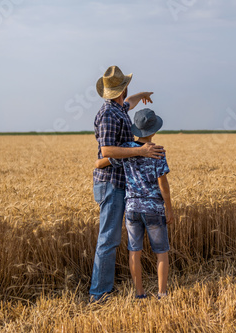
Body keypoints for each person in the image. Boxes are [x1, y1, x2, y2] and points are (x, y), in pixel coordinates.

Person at [90, 65, 165, 303]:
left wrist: (141, 95)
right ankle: (99, 293)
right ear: (123, 88)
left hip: (118, 181)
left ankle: (103, 289)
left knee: (111, 238)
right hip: (111, 183)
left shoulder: (118, 108)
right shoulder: (109, 115)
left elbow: (129, 103)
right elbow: (106, 150)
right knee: (109, 238)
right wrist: (140, 150)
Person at [95, 108, 173, 299]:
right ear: (154, 130)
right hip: (153, 209)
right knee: (161, 252)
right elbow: (163, 184)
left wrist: (105, 161)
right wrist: (169, 208)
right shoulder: (157, 152)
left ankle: (140, 294)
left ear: (136, 129)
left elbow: (99, 164)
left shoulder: (127, 150)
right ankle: (162, 293)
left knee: (134, 251)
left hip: (131, 208)